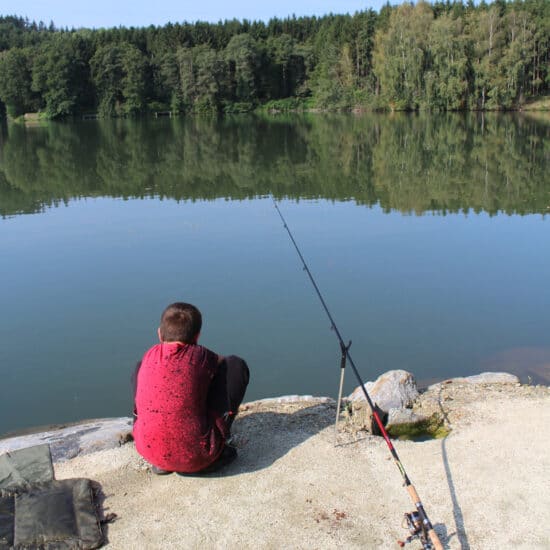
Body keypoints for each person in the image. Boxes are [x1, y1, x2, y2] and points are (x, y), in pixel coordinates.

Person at [132, 302, 250, 475]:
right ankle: (217, 447)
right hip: (200, 456)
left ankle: (160, 453)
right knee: (236, 366)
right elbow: (224, 363)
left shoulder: (149, 355)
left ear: (159, 333)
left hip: (149, 452)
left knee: (140, 370)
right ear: (197, 336)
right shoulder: (201, 355)